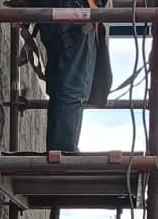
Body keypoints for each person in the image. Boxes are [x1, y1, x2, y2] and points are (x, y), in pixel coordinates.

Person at [34, 0, 113, 152]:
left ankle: (57, 155)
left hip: (67, 15)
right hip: (77, 14)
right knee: (73, 91)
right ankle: (62, 157)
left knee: (64, 90)